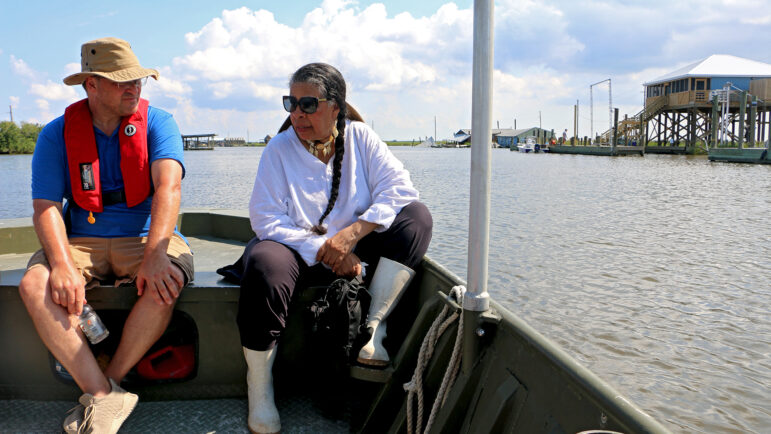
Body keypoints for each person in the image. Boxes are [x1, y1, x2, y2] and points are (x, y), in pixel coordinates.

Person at [237, 63, 432, 433]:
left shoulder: (361, 138)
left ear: (335, 107)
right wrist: (325, 249)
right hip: (298, 251)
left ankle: (373, 331)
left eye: (308, 104)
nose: (297, 113)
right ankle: (259, 387)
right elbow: (265, 219)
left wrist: (352, 234)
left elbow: (400, 189)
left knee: (416, 217)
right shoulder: (278, 149)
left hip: (356, 249)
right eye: (291, 103)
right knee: (264, 263)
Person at [17, 37, 193, 434]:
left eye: (137, 80)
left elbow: (169, 188)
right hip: (82, 238)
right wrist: (62, 265)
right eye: (121, 81)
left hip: (144, 234)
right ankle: (102, 392)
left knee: (165, 280)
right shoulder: (56, 134)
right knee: (34, 284)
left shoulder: (159, 123)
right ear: (91, 85)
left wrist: (156, 255)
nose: (134, 88)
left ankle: (106, 388)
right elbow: (46, 206)